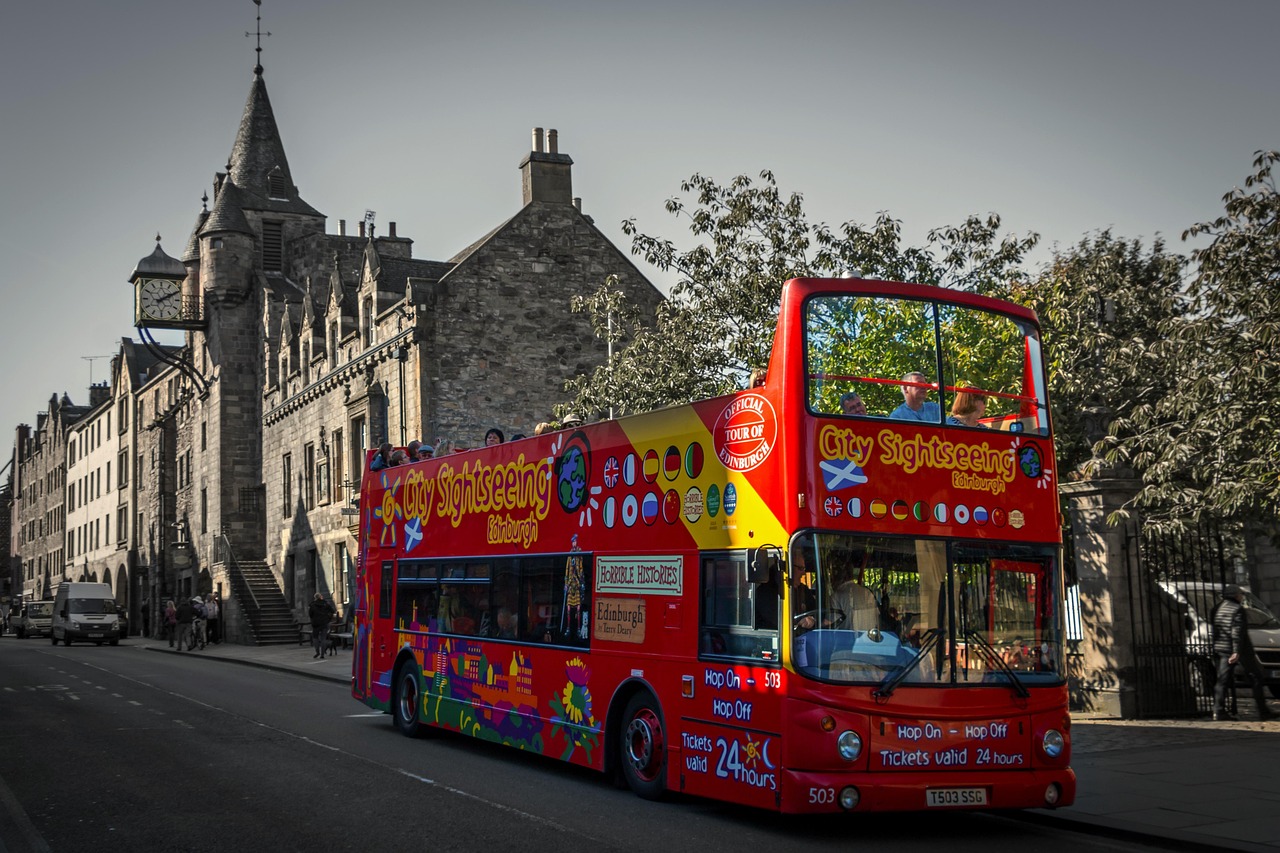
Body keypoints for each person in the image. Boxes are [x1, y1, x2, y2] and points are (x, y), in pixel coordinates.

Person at [1211, 584, 1274, 721]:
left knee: (1223, 680)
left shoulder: (1217, 608)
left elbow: (1216, 630)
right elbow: (1237, 632)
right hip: (1240, 650)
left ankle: (1218, 710)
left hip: (1222, 648)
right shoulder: (1237, 609)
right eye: (1240, 594)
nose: (1241, 596)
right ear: (1235, 595)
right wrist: (1236, 651)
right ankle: (1263, 711)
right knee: (1256, 677)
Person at [828, 552, 879, 631]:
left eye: (832, 575)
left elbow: (832, 627)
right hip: (869, 641)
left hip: (846, 642)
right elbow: (876, 621)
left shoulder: (836, 597)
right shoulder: (868, 593)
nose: (831, 580)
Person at [308, 593, 336, 659]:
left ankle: (317, 652)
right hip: (324, 623)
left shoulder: (312, 605)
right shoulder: (326, 604)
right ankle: (322, 654)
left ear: (315, 598)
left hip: (316, 624)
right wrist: (328, 618)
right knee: (323, 638)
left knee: (315, 638)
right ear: (321, 597)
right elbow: (332, 611)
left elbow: (310, 614)